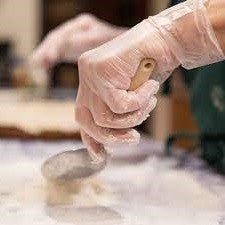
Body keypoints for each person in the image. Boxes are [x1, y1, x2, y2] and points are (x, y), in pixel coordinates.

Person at [30, 0, 225, 166]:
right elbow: (201, 74)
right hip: (212, 161)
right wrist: (121, 42)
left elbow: (180, 34)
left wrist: (170, 36)